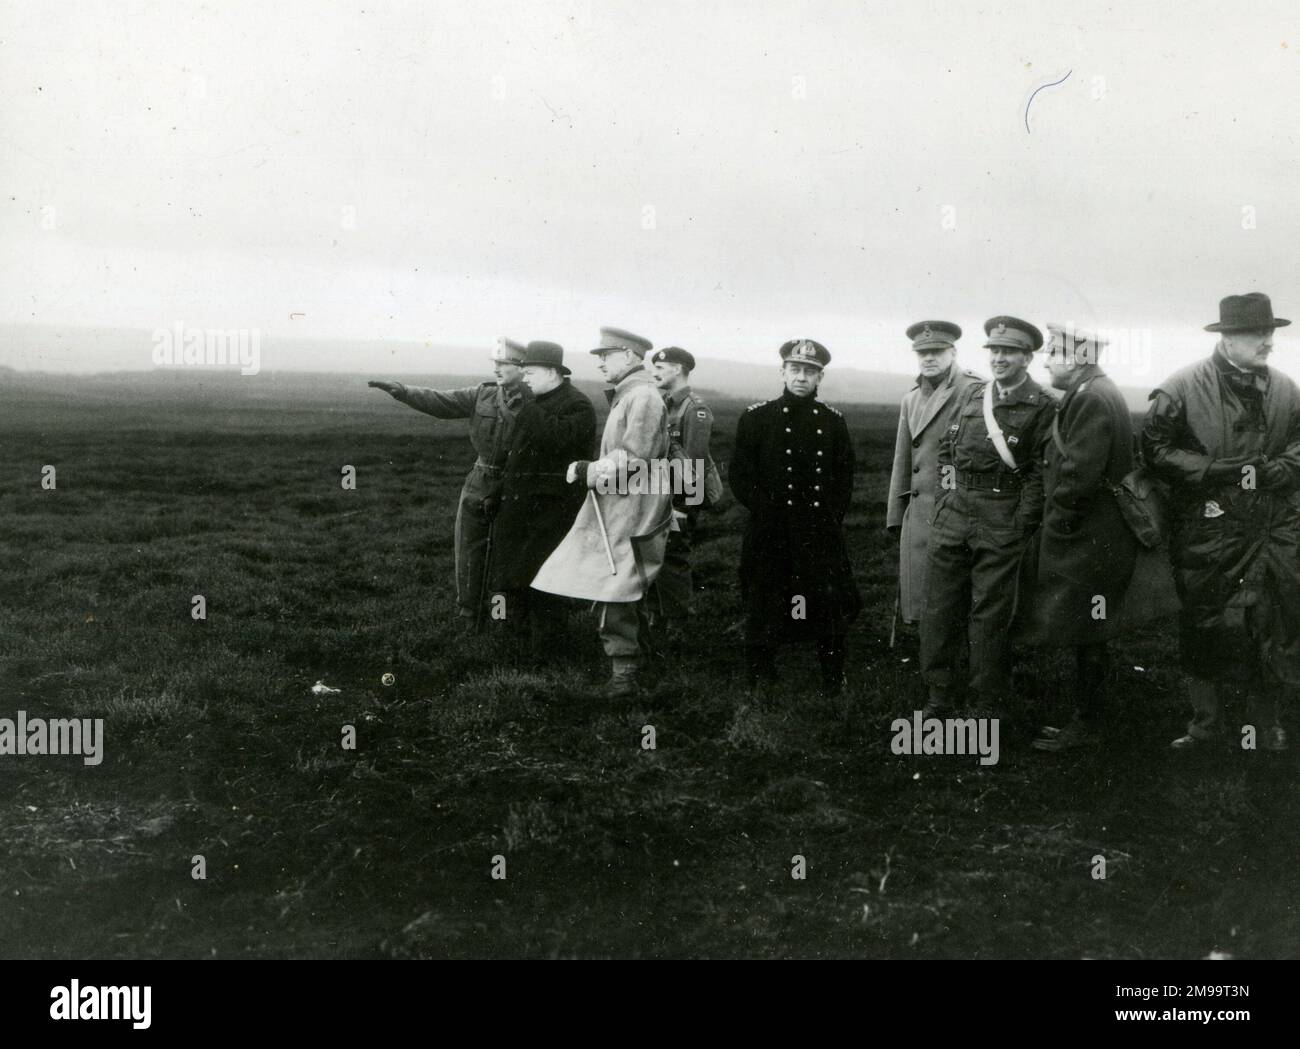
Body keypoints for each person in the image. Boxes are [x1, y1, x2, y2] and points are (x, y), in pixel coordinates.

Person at [1141, 292, 1300, 752]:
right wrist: (1214, 471)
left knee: (1273, 620)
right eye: (1257, 333)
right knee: (1206, 619)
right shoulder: (1183, 386)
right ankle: (1205, 725)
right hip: (1210, 527)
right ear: (1228, 337)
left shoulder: (1287, 389)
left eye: (1271, 332)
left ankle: (1264, 723)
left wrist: (1285, 468)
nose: (1268, 341)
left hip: (1274, 526)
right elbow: (1154, 450)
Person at [920, 316, 1055, 716]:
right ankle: (939, 695)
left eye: (1008, 352)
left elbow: (1038, 473)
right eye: (994, 351)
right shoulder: (972, 394)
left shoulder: (1044, 405)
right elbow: (947, 450)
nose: (998, 358)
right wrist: (946, 498)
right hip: (954, 512)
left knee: (989, 617)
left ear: (1027, 358)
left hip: (1002, 516)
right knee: (938, 609)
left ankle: (984, 705)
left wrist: (1020, 523)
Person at [531, 327, 674, 697]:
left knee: (616, 585)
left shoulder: (641, 396)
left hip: (633, 507)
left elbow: (633, 456)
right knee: (620, 582)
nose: (599, 362)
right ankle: (640, 663)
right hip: (625, 504)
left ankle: (625, 676)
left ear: (629, 355)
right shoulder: (631, 394)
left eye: (605, 355)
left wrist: (587, 470)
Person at [1024, 323, 1139, 751]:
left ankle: (1088, 725)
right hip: (1098, 535)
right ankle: (1089, 718)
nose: (1047, 360)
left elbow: (1078, 474)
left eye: (1052, 353)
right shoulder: (1095, 390)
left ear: (1075, 359)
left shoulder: (1090, 398)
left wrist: (1058, 522)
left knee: (1089, 630)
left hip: (1090, 539)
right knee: (1090, 628)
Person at [729, 339, 861, 695]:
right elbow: (740, 475)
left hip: (818, 531)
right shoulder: (757, 418)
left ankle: (833, 677)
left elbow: (843, 476)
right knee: (765, 601)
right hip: (771, 530)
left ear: (820, 377)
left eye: (810, 372)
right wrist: (765, 510)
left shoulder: (833, 422)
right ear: (783, 372)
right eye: (796, 369)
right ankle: (760, 675)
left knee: (827, 605)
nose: (802, 377)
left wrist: (831, 517)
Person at [369, 337, 524, 628]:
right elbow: (442, 402)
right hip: (479, 480)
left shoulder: (535, 401)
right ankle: (468, 614)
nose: (497, 369)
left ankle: (503, 617)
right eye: (496, 363)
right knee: (468, 546)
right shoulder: (483, 394)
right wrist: (403, 392)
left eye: (504, 364)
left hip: (514, 483)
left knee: (506, 552)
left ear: (522, 368)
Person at [490, 341, 597, 660]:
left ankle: (548, 658)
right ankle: (518, 649)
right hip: (521, 509)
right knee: (514, 580)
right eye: (523, 373)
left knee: (545, 584)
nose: (525, 379)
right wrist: (499, 493)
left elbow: (555, 439)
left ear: (553, 372)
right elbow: (519, 457)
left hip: (552, 513)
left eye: (531, 372)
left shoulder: (578, 405)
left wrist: (529, 406)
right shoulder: (537, 402)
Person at [886, 321, 980, 626]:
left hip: (958, 510)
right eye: (922, 352)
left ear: (952, 352)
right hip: (920, 512)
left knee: (956, 596)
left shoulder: (974, 389)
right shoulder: (911, 399)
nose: (928, 358)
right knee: (922, 592)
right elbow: (903, 460)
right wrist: (896, 516)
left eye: (936, 351)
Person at [648, 345, 715, 634]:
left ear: (677, 369)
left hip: (679, 501)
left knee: (674, 562)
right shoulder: (663, 404)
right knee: (655, 561)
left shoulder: (695, 409)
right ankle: (657, 620)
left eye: (660, 368)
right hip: (659, 497)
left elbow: (696, 465)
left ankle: (677, 628)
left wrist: (684, 508)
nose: (654, 373)